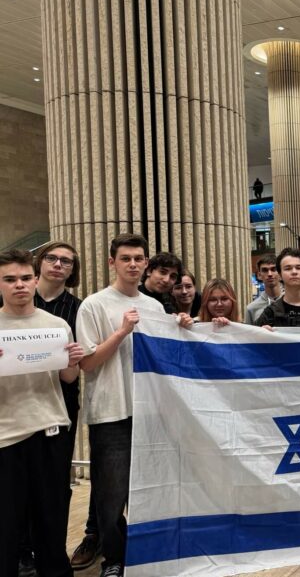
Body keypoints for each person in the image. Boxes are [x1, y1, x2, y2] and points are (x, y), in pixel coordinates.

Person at [76, 234, 167, 577]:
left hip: (148, 412)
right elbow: (86, 363)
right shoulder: (94, 305)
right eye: (125, 258)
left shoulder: (155, 307)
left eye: (138, 258)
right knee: (111, 497)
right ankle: (113, 559)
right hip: (111, 412)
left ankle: (145, 553)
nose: (132, 264)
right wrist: (121, 332)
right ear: (112, 262)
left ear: (146, 264)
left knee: (148, 491)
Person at [0, 249, 84, 577]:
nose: (19, 285)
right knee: (7, 525)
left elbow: (68, 378)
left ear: (35, 280)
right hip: (6, 436)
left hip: (51, 431)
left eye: (24, 278)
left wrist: (73, 361)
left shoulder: (57, 324)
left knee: (51, 520)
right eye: (10, 279)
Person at [31, 243, 99, 572]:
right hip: (13, 407)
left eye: (66, 262)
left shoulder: (78, 308)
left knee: (57, 482)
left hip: (60, 403)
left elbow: (80, 362)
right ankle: (20, 553)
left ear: (73, 271)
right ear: (39, 262)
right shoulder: (12, 301)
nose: (59, 265)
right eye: (52, 258)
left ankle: (52, 553)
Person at [245, 254, 282, 325]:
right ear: (259, 275)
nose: (270, 274)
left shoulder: (291, 302)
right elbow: (248, 335)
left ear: (280, 273)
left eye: (274, 269)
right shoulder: (251, 308)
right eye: (265, 270)